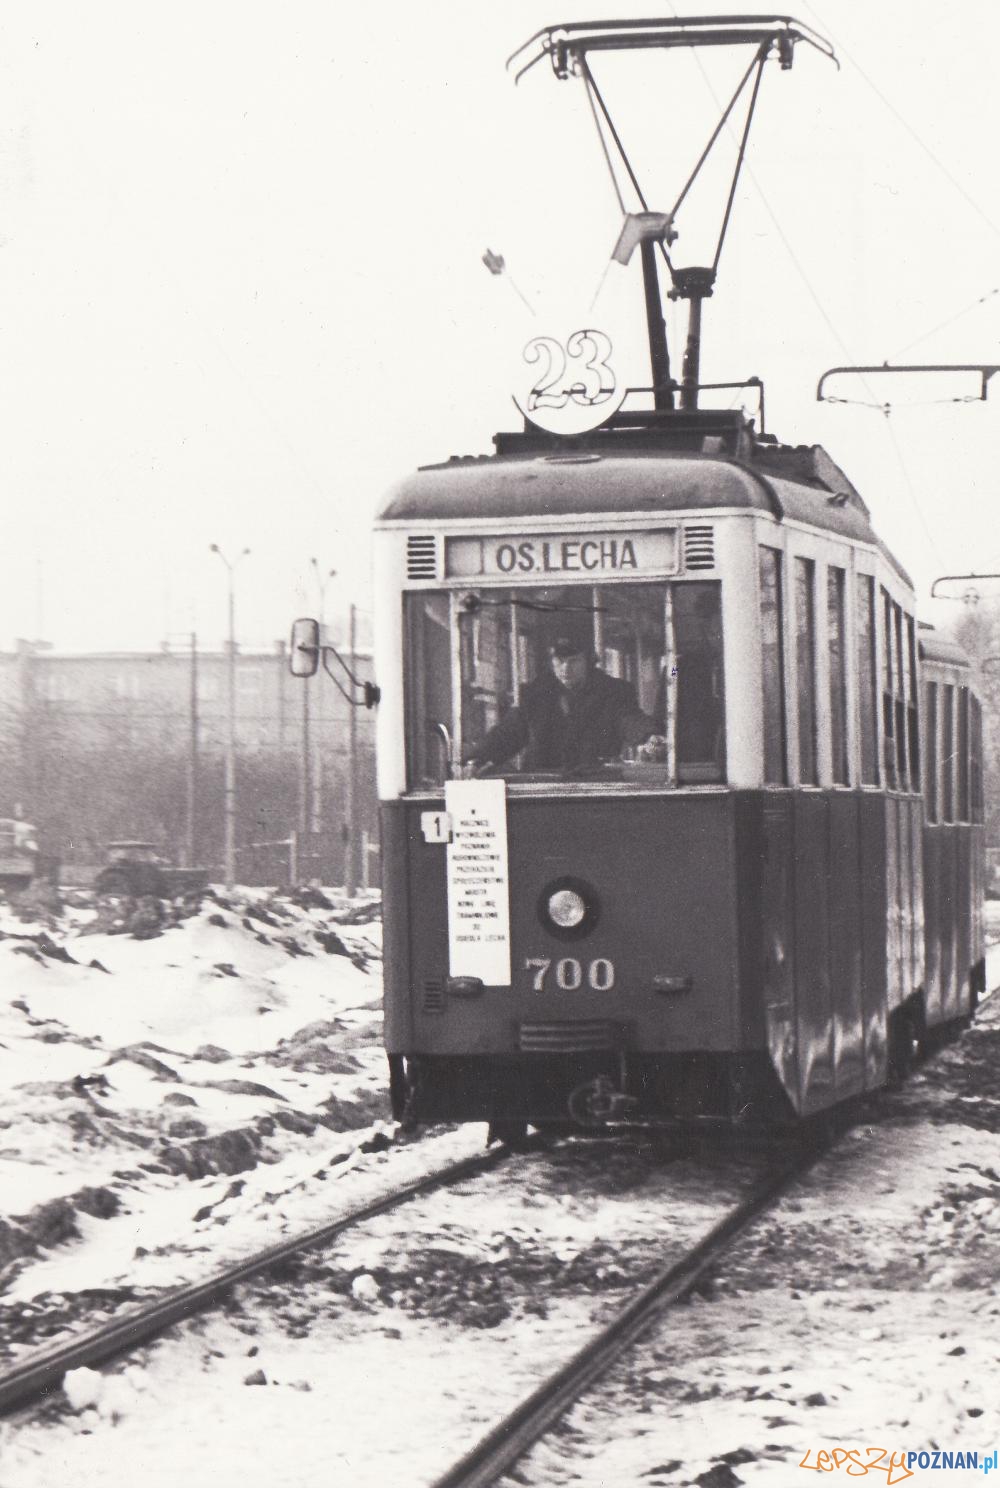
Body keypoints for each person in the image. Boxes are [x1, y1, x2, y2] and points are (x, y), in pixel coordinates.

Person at [469, 616, 655, 773]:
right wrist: (476, 758)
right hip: (542, 791)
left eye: (574, 661)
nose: (566, 669)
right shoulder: (534, 695)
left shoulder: (614, 692)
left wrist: (648, 737)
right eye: (559, 661)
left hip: (594, 788)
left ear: (589, 661)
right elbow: (506, 735)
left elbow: (629, 719)